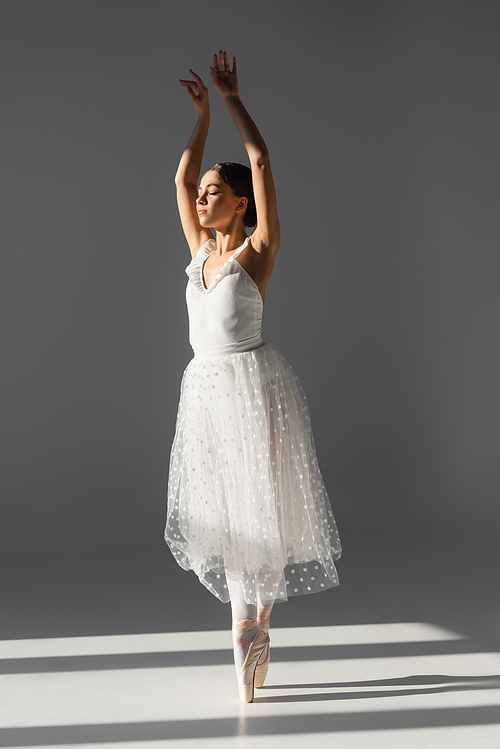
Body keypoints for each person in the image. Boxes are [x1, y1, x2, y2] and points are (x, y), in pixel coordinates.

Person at [165, 51, 341, 703]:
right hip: (205, 391)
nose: (204, 197)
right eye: (205, 192)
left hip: (252, 385)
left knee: (257, 508)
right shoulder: (199, 253)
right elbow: (180, 179)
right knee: (226, 512)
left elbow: (262, 161)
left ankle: (250, 621)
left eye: (217, 192)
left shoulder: (255, 252)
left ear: (240, 204)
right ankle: (252, 623)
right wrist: (201, 118)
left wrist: (234, 101)